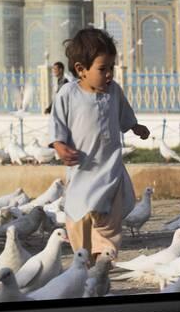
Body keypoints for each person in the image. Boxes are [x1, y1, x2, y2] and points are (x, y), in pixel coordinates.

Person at [48, 28, 150, 262]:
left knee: (109, 224)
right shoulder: (68, 94)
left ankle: (102, 259)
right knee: (78, 219)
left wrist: (135, 127)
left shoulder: (114, 92)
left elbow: (124, 114)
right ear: (81, 70)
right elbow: (56, 123)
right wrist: (59, 146)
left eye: (111, 68)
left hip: (110, 171)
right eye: (102, 69)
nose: (109, 75)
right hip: (83, 172)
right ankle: (84, 261)